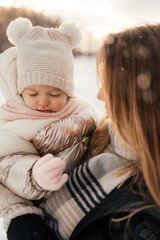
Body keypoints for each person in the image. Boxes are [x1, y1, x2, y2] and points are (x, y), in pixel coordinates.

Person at [43, 23, 160, 240]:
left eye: (109, 84)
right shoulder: (104, 138)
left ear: (141, 96)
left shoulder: (144, 223)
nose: (99, 95)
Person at [0, 17, 96, 239]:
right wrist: (33, 174)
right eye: (33, 94)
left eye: (54, 94)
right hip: (40, 206)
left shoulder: (82, 110)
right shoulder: (13, 121)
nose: (43, 101)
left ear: (68, 91)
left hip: (84, 201)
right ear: (21, 91)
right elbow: (9, 162)